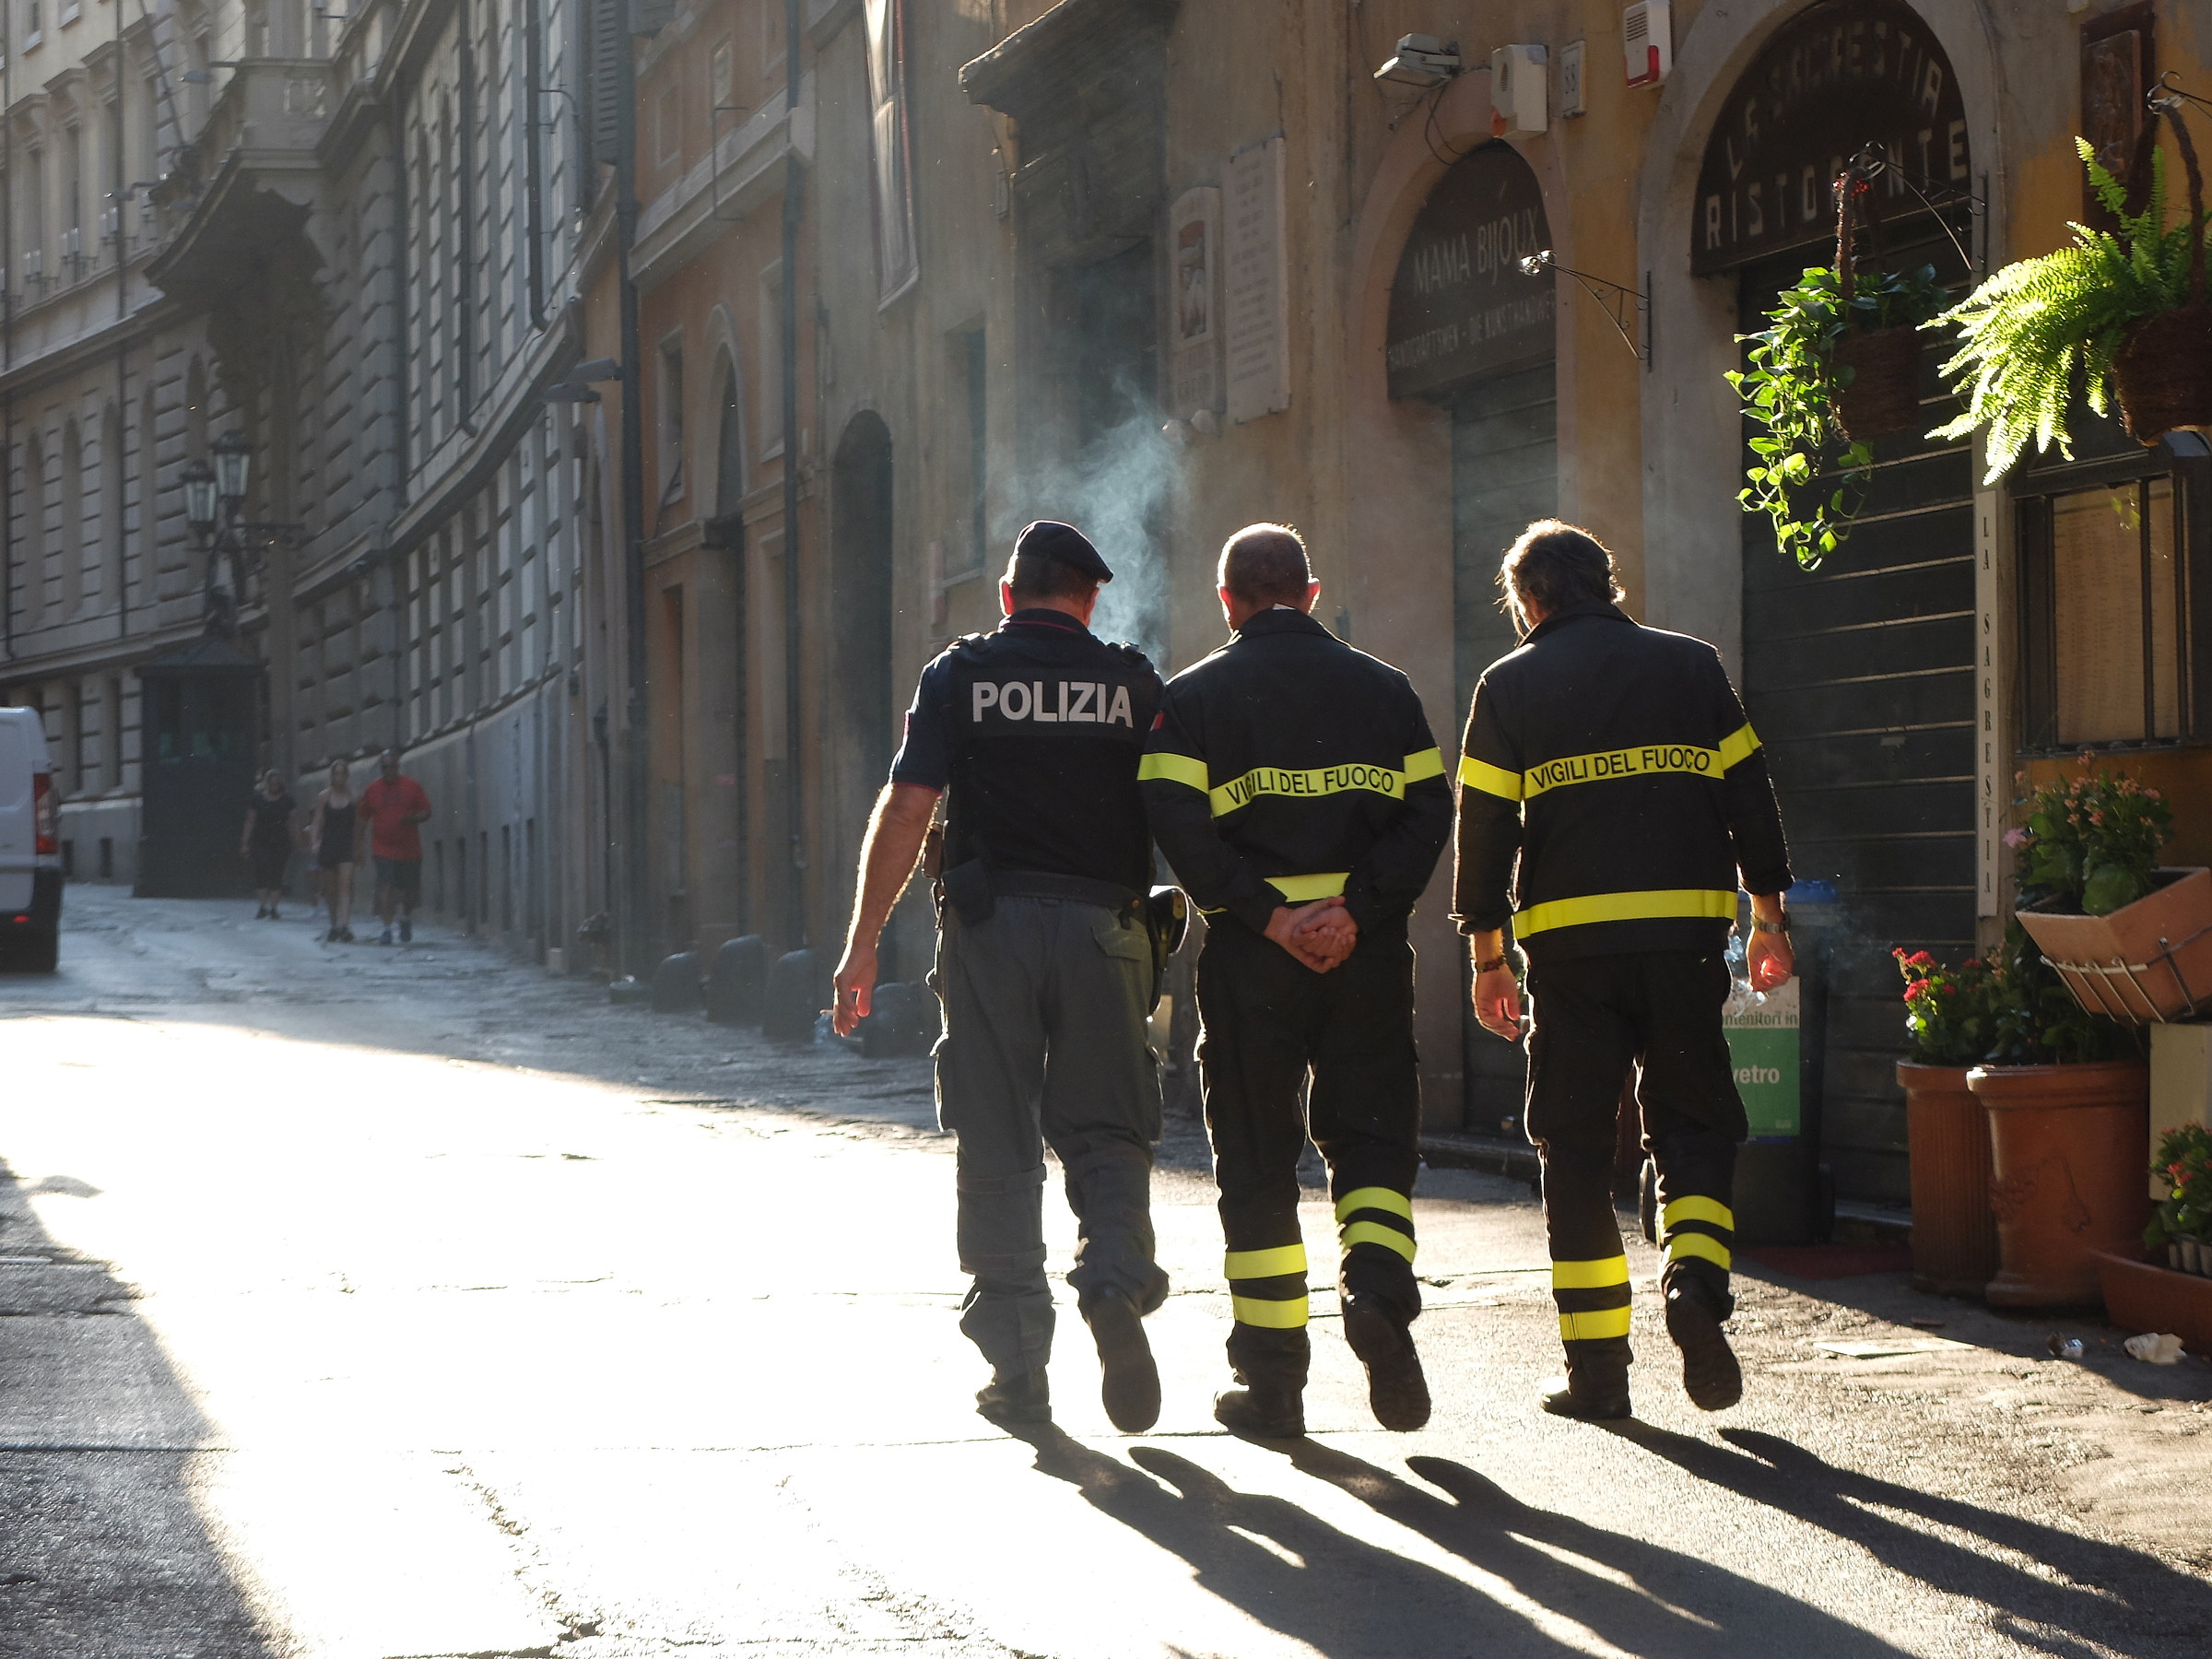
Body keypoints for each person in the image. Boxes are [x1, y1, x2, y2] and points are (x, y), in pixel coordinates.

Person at [831, 521, 1170, 1433]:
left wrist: (863, 943)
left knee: (997, 1138)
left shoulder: (960, 675)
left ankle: (1020, 1368)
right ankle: (1111, 1282)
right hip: (1107, 929)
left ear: (1009, 595)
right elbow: (1183, 809)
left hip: (991, 936)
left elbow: (908, 809)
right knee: (1109, 1129)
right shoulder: (1133, 683)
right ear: (1089, 597)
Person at [1453, 520, 1795, 1422]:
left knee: (1571, 1150)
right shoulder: (1692, 667)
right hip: (1683, 945)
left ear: (1528, 600)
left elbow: (1484, 829)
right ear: (1610, 586)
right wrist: (1769, 917)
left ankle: (1599, 1374)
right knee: (1694, 1126)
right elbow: (1751, 796)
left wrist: (1486, 954)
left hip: (1568, 957)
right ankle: (1693, 1286)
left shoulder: (1509, 684)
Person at [1140, 524, 1452, 1440]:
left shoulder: (1190, 701)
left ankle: (1273, 1384)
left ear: (1227, 601)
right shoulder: (1386, 691)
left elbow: (1175, 825)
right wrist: (1356, 908)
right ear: (1311, 594)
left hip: (1250, 964)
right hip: (1366, 959)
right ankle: (1382, 1300)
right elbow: (1429, 812)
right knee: (1372, 1143)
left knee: (1257, 1161)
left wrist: (1270, 915)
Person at [359, 749, 432, 946]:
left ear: (398, 767)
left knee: (411, 891)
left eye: (391, 767)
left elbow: (427, 811)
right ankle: (386, 929)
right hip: (382, 847)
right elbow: (362, 817)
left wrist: (413, 818)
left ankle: (405, 917)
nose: (388, 771)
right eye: (384, 767)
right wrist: (358, 845)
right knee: (386, 887)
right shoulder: (372, 790)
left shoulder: (412, 786)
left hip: (409, 848)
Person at [309, 759, 359, 943]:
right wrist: (314, 842)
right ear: (331, 776)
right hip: (329, 844)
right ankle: (333, 924)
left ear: (347, 776)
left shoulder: (353, 797)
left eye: (342, 773)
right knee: (331, 888)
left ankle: (345, 925)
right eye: (335, 774)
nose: (339, 777)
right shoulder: (324, 796)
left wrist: (359, 846)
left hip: (346, 844)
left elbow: (358, 824)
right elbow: (317, 821)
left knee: (345, 884)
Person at [240, 769, 299, 919]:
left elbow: (293, 821)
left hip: (280, 842)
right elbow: (250, 820)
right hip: (261, 841)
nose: (274, 786)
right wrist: (245, 842)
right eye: (271, 783)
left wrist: (297, 839)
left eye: (276, 784)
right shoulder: (257, 799)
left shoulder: (287, 800)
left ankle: (273, 908)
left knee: (276, 874)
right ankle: (262, 906)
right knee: (261, 871)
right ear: (267, 784)